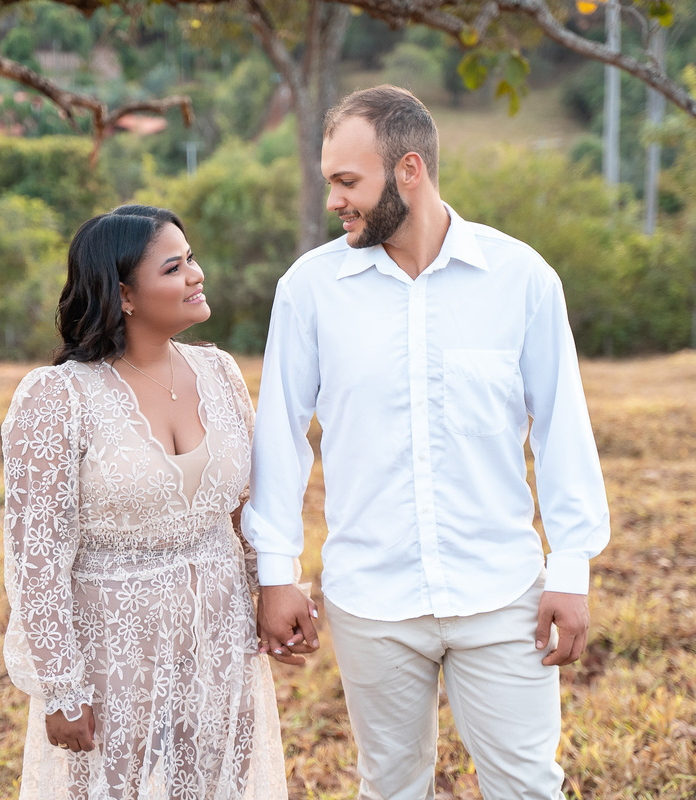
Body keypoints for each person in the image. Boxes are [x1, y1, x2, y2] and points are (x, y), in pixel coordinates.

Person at [243, 86, 611, 800]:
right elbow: (280, 436)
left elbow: (563, 425)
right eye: (330, 183)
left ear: (408, 169)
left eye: (348, 182)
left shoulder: (522, 279)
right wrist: (275, 570)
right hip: (370, 599)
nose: (334, 202)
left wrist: (571, 568)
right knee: (390, 787)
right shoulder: (309, 290)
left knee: (530, 786)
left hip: (502, 594)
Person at [1, 205, 288, 799]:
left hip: (219, 633)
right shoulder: (58, 398)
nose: (197, 274)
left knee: (217, 786)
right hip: (115, 645)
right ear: (125, 294)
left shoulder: (219, 372)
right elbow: (37, 559)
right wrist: (61, 687)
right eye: (176, 266)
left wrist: (274, 592)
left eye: (192, 259)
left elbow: (243, 508)